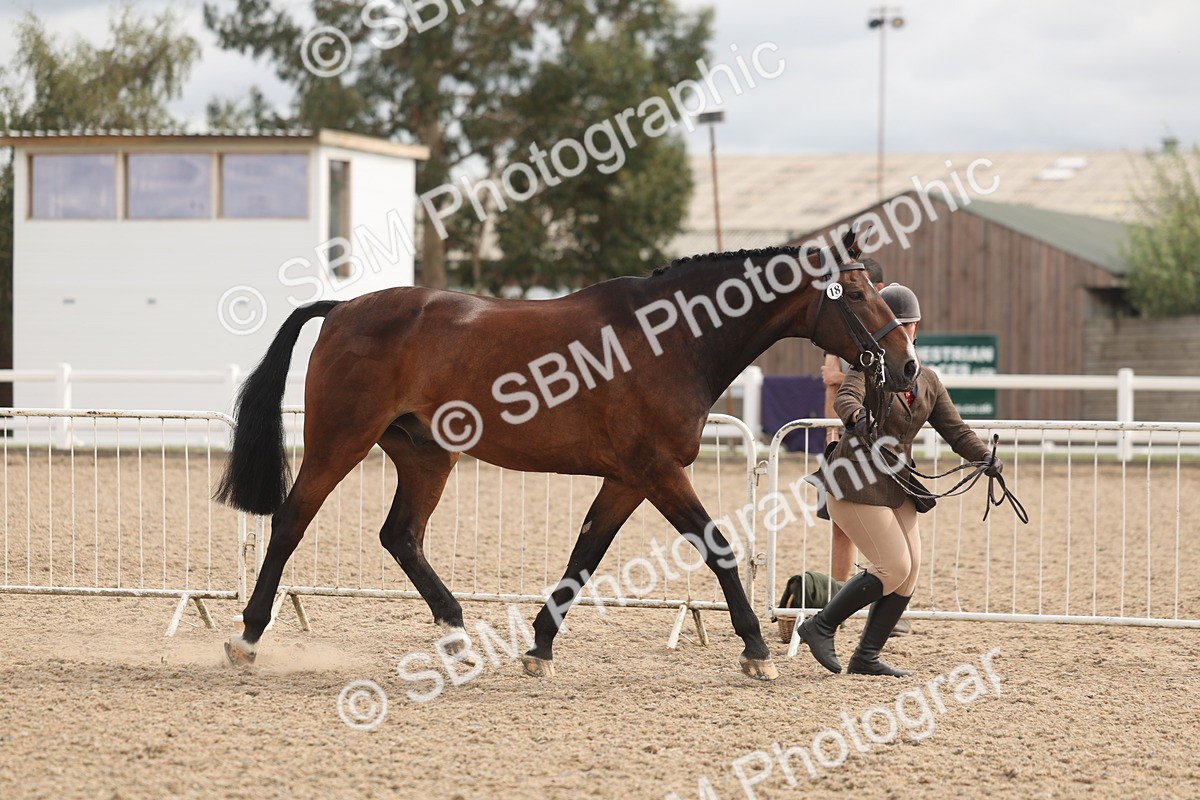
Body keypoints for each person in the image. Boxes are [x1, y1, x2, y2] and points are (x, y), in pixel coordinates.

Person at [800, 284, 1002, 677]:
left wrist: (985, 457)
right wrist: (857, 417)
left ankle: (866, 656)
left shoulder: (927, 380)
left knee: (909, 571)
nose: (901, 331)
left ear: (915, 328)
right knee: (892, 565)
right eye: (894, 324)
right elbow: (846, 397)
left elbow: (955, 430)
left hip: (897, 484)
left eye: (906, 324)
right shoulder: (867, 367)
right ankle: (820, 626)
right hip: (855, 479)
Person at [819, 258, 886, 583]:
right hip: (842, 439)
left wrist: (837, 377)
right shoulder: (841, 332)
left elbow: (875, 381)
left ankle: (887, 593)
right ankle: (837, 596)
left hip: (874, 441)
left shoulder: (887, 333)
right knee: (840, 527)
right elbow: (829, 387)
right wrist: (829, 435)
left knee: (882, 528)